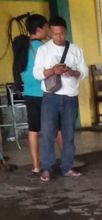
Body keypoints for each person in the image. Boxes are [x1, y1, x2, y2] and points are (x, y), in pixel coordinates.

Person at [33, 16, 88, 182]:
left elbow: (84, 72)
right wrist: (52, 71)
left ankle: (67, 167)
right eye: (55, 34)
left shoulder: (76, 50)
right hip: (51, 97)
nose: (59, 37)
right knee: (48, 134)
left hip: (70, 98)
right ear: (50, 32)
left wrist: (72, 72)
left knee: (69, 135)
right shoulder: (44, 50)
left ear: (66, 32)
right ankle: (47, 169)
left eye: (62, 34)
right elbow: (37, 74)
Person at [12, 14, 49, 174]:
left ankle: (35, 165)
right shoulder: (44, 48)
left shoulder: (22, 46)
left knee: (33, 129)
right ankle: (60, 162)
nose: (48, 30)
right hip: (45, 93)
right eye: (46, 27)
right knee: (55, 129)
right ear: (39, 29)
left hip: (29, 93)